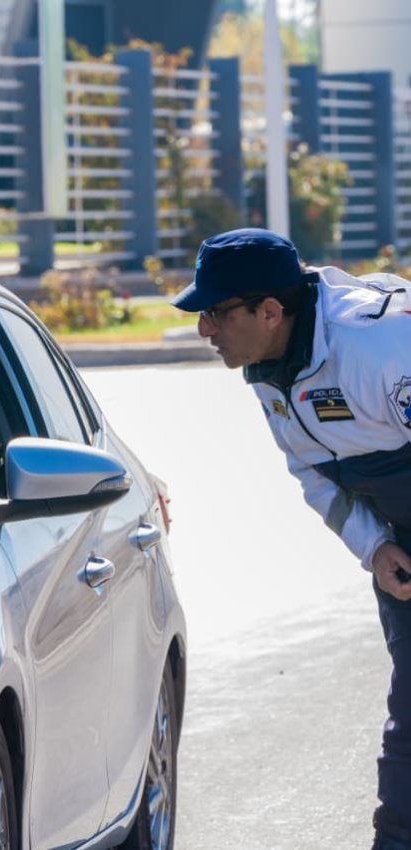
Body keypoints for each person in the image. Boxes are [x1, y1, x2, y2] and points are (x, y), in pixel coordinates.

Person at [171, 227, 411, 850]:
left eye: (215, 314)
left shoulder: (383, 343)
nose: (205, 331)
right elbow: (312, 470)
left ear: (270, 312)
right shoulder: (266, 365)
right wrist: (375, 548)